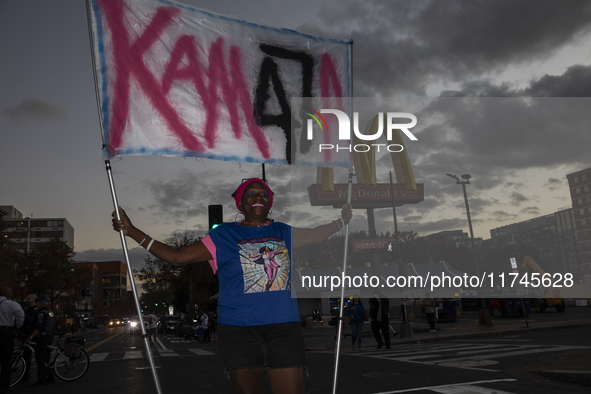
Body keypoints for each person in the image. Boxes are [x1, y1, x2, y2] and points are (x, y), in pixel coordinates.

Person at [112, 177, 352, 394]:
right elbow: (177, 257)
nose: (258, 197)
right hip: (239, 332)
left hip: (283, 329)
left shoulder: (282, 231)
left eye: (264, 194)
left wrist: (342, 221)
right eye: (251, 193)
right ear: (240, 203)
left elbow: (317, 234)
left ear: (270, 203)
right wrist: (132, 231)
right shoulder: (223, 235)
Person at [24, 295, 54, 386]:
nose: (36, 305)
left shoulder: (41, 313)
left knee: (39, 358)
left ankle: (41, 379)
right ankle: (50, 377)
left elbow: (39, 327)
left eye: (38, 303)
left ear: (43, 303)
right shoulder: (50, 312)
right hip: (49, 335)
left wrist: (30, 337)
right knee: (46, 357)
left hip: (43, 337)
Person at [0, 287, 25, 394]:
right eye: (10, 292)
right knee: (6, 360)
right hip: (6, 333)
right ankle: (5, 385)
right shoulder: (11, 304)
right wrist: (18, 325)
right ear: (6, 294)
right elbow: (20, 315)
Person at [18, 293, 37, 383]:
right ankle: (25, 376)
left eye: (29, 299)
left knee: (40, 357)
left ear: (34, 300)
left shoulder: (37, 311)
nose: (26, 300)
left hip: (35, 336)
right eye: (26, 298)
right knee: (26, 357)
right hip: (26, 336)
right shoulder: (26, 310)